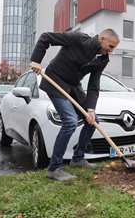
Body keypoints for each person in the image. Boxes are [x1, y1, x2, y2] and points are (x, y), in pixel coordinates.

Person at [30, 28, 120, 181]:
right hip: (55, 81)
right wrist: (36, 60)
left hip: (73, 86)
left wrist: (90, 109)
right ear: (102, 38)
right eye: (111, 46)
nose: (111, 51)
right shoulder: (77, 39)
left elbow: (93, 85)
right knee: (70, 121)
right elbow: (46, 37)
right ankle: (54, 168)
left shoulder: (102, 59)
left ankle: (78, 159)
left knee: (93, 120)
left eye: (114, 48)